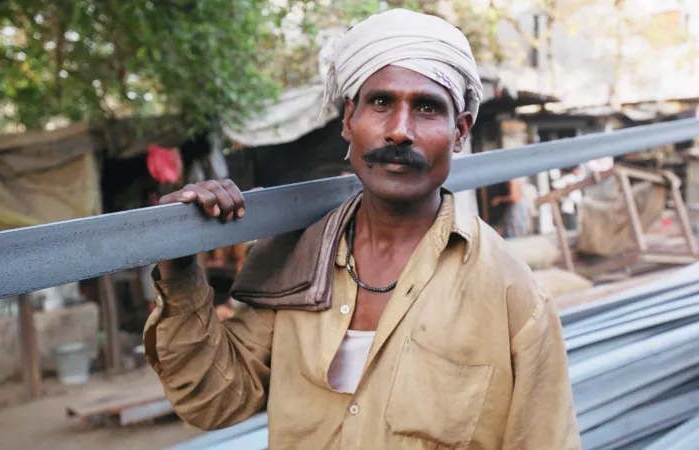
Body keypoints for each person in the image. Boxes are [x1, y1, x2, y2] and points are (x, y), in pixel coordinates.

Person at [142, 9, 579, 449]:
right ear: (349, 119)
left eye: (426, 108)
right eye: (381, 103)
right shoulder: (296, 261)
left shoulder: (509, 293)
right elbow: (214, 401)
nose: (399, 131)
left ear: (460, 131)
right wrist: (178, 265)